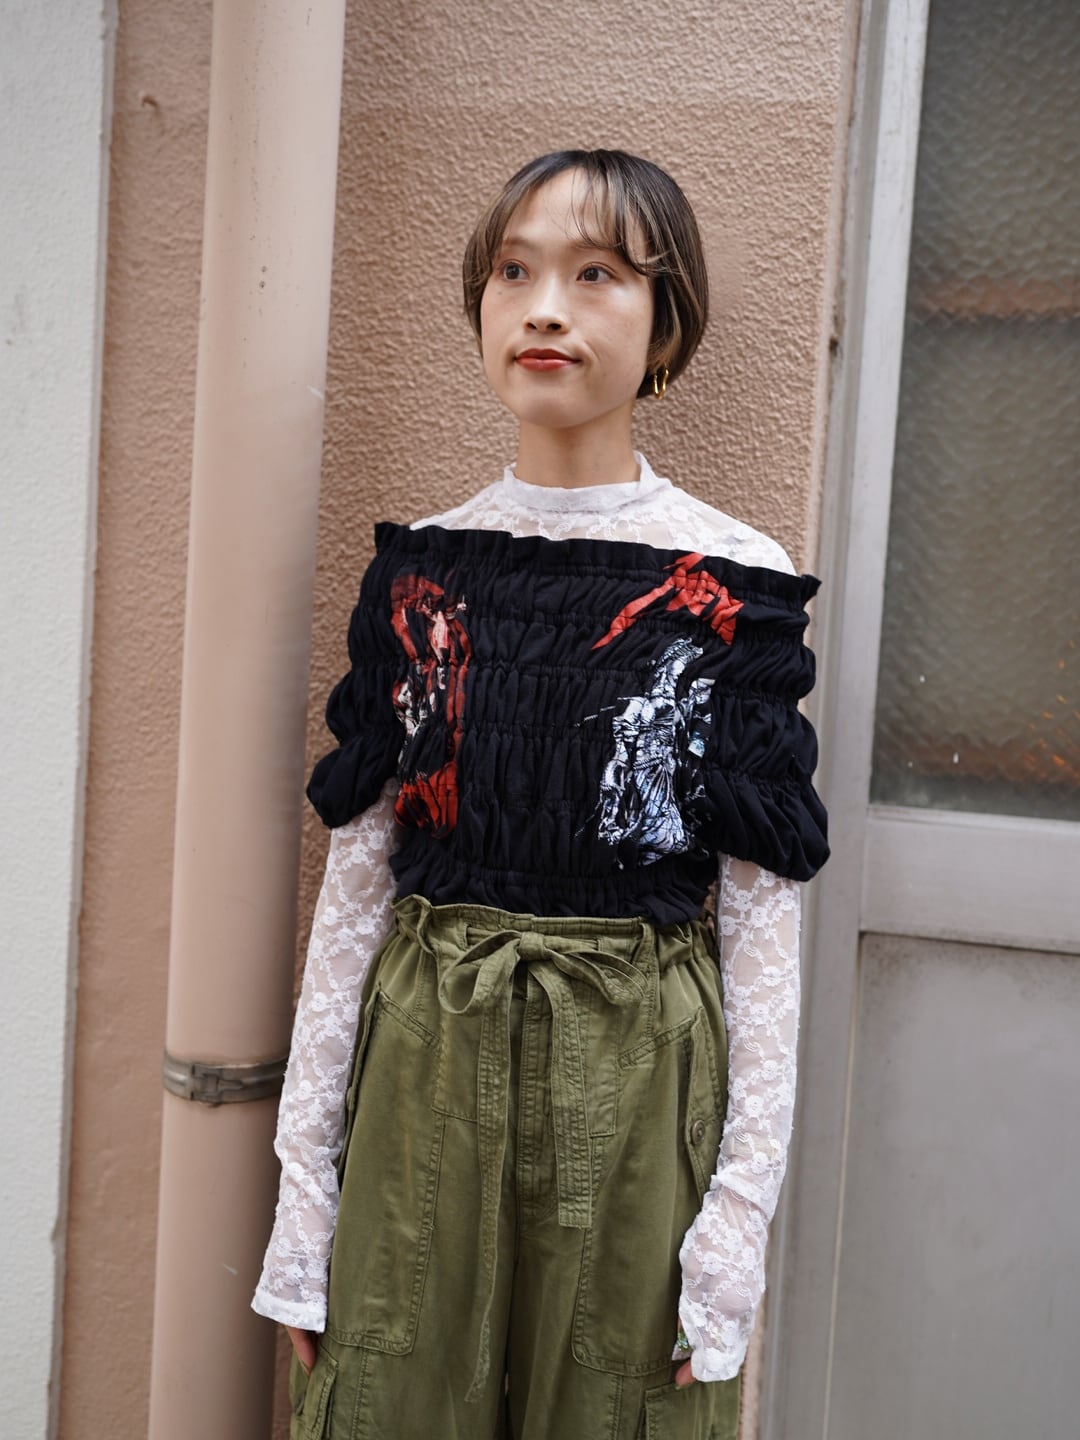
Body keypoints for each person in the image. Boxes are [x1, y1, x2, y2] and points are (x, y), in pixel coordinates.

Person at [252, 148, 829, 1440]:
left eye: (597, 273)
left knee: (624, 1408)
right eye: (513, 271)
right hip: (425, 1068)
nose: (546, 308)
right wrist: (304, 1202)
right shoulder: (420, 576)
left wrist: (737, 1222)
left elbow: (762, 927)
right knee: (389, 1398)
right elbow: (353, 900)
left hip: (638, 1074)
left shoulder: (730, 583)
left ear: (666, 323)